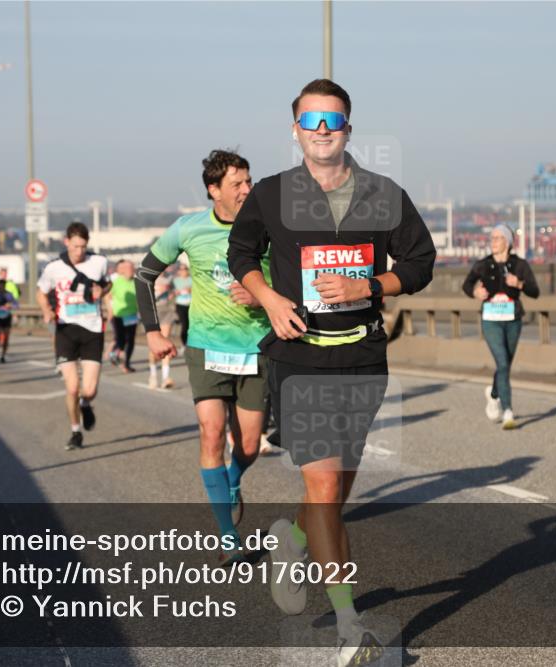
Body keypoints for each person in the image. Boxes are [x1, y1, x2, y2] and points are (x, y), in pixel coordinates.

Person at [228, 80, 436, 666]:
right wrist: (268, 298)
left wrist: (369, 286)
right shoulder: (270, 195)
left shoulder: (382, 193)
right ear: (295, 129)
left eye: (333, 119)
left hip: (364, 356)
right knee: (322, 487)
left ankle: (289, 540)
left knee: (336, 491)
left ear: (348, 126)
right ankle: (351, 627)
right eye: (311, 120)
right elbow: (240, 255)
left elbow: (420, 262)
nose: (323, 130)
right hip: (301, 358)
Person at [137, 149, 273, 566]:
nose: (247, 190)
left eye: (249, 181)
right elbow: (145, 275)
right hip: (206, 347)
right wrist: (154, 333)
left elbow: (296, 278)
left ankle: (231, 481)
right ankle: (229, 539)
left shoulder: (272, 228)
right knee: (212, 433)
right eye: (237, 184)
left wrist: (261, 292)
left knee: (248, 445)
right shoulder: (188, 229)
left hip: (257, 348)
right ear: (214, 190)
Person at [36, 222, 111, 451]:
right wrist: (47, 311)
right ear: (66, 242)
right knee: (71, 387)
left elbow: (107, 284)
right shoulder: (54, 268)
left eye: (83, 247)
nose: (79, 252)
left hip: (92, 330)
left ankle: (86, 404)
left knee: (89, 390)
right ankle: (75, 432)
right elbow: (41, 292)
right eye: (75, 246)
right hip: (65, 330)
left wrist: (102, 291)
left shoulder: (99, 262)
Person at [462, 224, 540, 430]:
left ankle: (494, 394)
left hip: (513, 319)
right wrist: (475, 293)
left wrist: (519, 284)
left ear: (508, 242)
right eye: (492, 238)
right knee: (503, 363)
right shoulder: (482, 265)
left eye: (497, 238)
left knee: (505, 364)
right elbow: (467, 285)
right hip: (491, 320)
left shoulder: (520, 265)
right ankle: (508, 411)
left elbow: (535, 291)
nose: (493, 242)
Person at [105, 259, 139, 373]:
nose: (133, 270)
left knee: (131, 340)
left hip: (132, 315)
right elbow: (107, 296)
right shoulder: (116, 282)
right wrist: (110, 310)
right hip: (118, 315)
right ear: (123, 271)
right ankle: (114, 353)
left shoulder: (136, 281)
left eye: (133, 268)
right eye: (130, 268)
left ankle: (126, 363)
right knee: (120, 340)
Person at [147, 271, 176, 388]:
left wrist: (170, 294)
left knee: (166, 342)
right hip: (154, 311)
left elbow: (173, 291)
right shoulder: (150, 276)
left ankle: (165, 378)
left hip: (167, 311)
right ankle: (153, 375)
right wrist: (158, 291)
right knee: (155, 343)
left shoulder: (170, 278)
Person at [0, 268, 19, 363]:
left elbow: (16, 304)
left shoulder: (9, 294)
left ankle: (2, 355)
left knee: (6, 337)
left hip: (7, 317)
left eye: (3, 286)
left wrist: (10, 305)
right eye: (0, 286)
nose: (1, 288)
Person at [173, 263, 192, 351]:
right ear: (179, 271)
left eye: (185, 269)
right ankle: (184, 345)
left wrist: (190, 290)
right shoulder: (175, 281)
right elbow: (171, 293)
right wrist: (175, 292)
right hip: (180, 305)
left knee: (191, 326)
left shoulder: (192, 279)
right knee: (184, 325)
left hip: (191, 305)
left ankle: (191, 344)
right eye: (181, 269)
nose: (183, 271)